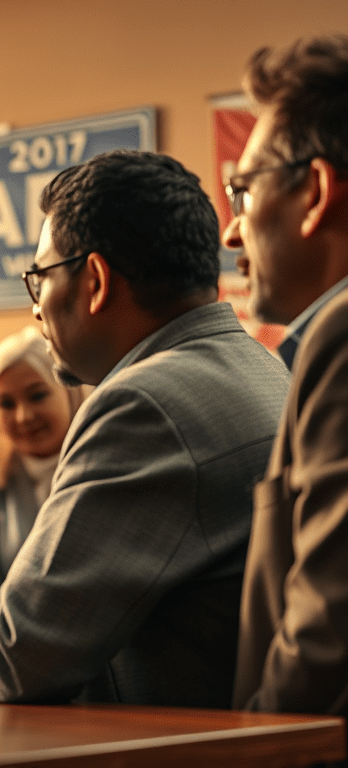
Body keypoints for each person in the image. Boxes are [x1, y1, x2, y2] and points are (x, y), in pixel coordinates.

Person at [0, 149, 291, 709]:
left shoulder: (141, 404)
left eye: (39, 279)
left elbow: (19, 654)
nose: (35, 309)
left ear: (94, 280)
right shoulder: (268, 368)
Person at [221, 35, 348, 717]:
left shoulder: (341, 334)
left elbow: (327, 627)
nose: (230, 233)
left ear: (316, 192)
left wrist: (253, 749)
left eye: (242, 191)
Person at [0, 326, 85, 621]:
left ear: (70, 393)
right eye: (6, 404)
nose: (23, 416)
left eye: (37, 396)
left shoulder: (103, 467)